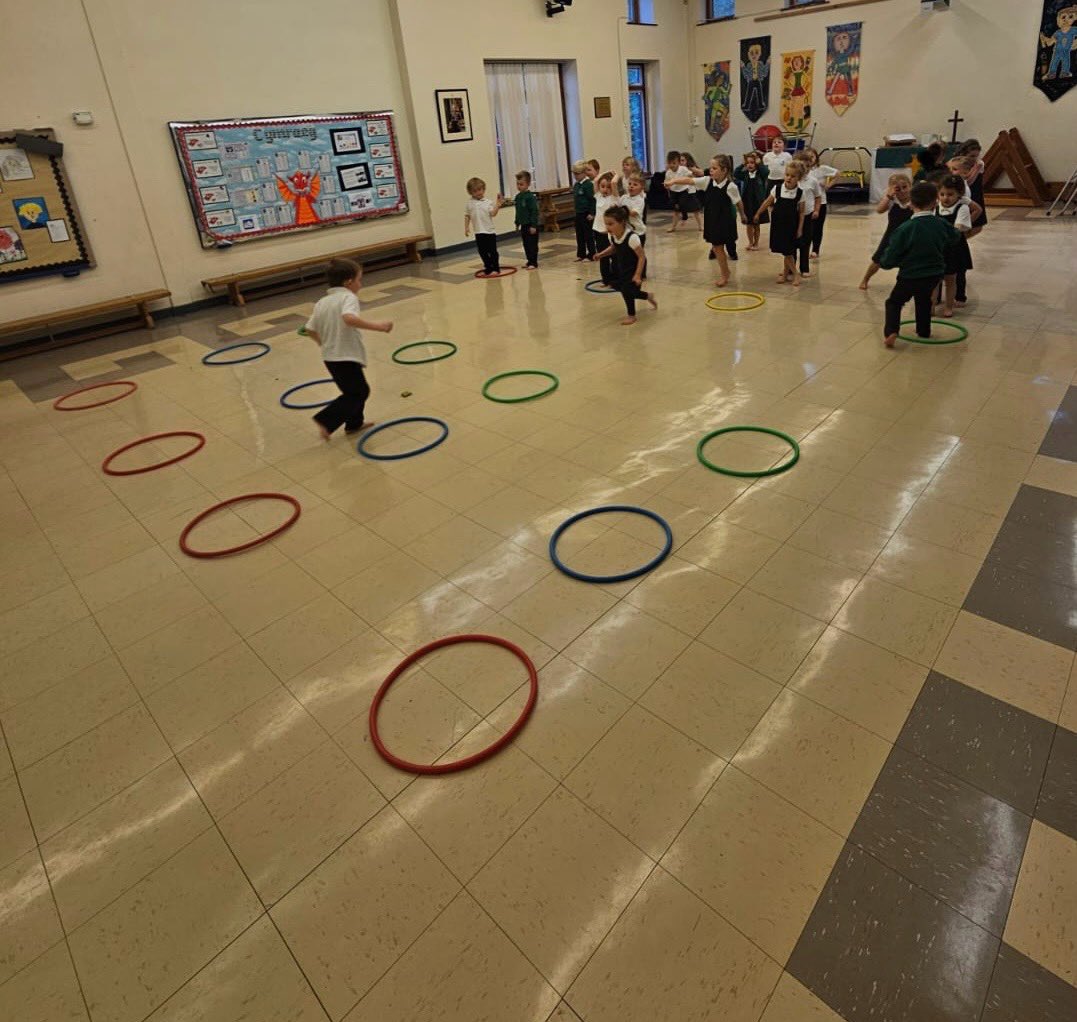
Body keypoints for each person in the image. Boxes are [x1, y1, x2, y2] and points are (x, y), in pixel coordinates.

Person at [303, 258, 392, 441]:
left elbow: (309, 329)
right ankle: (326, 421)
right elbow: (349, 318)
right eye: (359, 280)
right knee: (359, 392)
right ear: (348, 282)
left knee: (354, 391)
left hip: (331, 356)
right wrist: (379, 326)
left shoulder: (322, 302)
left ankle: (354, 424)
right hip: (345, 356)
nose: (361, 284)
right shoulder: (348, 297)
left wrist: (322, 343)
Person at [878, 180, 959, 348]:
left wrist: (886, 262)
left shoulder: (906, 228)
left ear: (911, 203)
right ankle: (924, 331)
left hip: (910, 275)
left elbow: (891, 255)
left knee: (894, 302)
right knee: (923, 300)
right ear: (935, 202)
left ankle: (891, 331)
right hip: (934, 274)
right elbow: (955, 236)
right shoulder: (941, 223)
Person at [669, 154, 746, 288]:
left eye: (714, 168)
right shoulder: (706, 181)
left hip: (724, 221)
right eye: (710, 167)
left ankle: (725, 274)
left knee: (718, 248)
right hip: (712, 219)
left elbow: (738, 202)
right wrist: (673, 182)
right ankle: (726, 271)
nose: (710, 170)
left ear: (724, 170)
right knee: (717, 248)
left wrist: (743, 216)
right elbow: (689, 181)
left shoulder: (730, 186)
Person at [592, 204, 657, 326]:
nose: (607, 227)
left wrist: (638, 275)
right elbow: (613, 248)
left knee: (627, 291)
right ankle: (648, 296)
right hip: (623, 268)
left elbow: (642, 257)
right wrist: (601, 254)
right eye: (606, 224)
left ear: (622, 222)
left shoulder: (632, 238)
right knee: (627, 290)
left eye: (611, 224)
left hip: (635, 268)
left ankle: (631, 315)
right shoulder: (614, 236)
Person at [754, 161, 808, 286]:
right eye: (787, 175)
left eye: (793, 176)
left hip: (791, 225)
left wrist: (800, 229)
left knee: (788, 251)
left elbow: (801, 213)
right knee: (785, 250)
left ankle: (795, 274)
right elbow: (767, 202)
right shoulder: (777, 189)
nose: (789, 178)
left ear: (798, 178)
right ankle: (785, 273)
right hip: (778, 224)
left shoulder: (800, 193)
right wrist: (758, 213)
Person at [860, 173, 913, 290]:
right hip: (892, 234)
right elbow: (879, 210)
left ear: (910, 186)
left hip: (910, 236)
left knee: (909, 260)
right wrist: (888, 196)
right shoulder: (892, 200)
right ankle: (865, 279)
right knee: (878, 258)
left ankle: (906, 283)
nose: (902, 191)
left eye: (905, 187)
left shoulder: (915, 200)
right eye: (898, 189)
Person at [935, 174, 974, 317]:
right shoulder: (935, 207)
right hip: (939, 247)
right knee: (935, 277)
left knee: (955, 275)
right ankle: (933, 302)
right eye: (942, 194)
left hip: (954, 247)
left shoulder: (962, 208)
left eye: (950, 194)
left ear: (959, 194)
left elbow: (956, 229)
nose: (945, 198)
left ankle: (953, 302)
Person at [801, 147, 839, 258]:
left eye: (812, 157)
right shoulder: (803, 170)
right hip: (807, 202)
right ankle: (805, 248)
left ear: (816, 158)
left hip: (820, 202)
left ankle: (815, 249)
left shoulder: (822, 169)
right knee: (807, 228)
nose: (810, 160)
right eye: (807, 157)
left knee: (818, 227)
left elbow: (837, 173)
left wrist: (828, 185)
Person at [464, 177, 504, 277]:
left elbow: (493, 214)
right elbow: (467, 215)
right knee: (482, 251)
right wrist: (466, 227)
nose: (478, 192)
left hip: (489, 232)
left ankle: (495, 268)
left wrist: (497, 205)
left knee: (492, 251)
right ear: (470, 192)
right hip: (478, 232)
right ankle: (488, 267)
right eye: (475, 191)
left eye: (480, 190)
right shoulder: (470, 203)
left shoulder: (488, 202)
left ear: (483, 189)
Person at [790, 157, 821, 278]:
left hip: (807, 215)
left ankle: (804, 268)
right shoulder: (792, 179)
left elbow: (818, 197)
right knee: (791, 243)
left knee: (805, 242)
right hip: (793, 216)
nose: (805, 169)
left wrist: (816, 210)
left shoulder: (812, 181)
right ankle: (791, 268)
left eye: (807, 166)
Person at [735, 150, 769, 251]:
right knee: (749, 225)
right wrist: (742, 164)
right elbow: (736, 173)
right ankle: (750, 242)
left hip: (757, 203)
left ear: (756, 164)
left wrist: (759, 163)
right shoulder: (744, 174)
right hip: (747, 202)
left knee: (756, 224)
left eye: (752, 162)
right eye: (748, 163)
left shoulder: (760, 174)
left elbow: (766, 172)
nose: (750, 165)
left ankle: (756, 243)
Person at [592, 172, 619, 289]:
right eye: (603, 186)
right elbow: (595, 181)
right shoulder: (598, 196)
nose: (605, 189)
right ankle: (605, 279)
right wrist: (603, 173)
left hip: (611, 234)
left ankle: (615, 280)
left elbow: (614, 182)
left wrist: (615, 174)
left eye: (608, 187)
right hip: (599, 232)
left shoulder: (614, 198)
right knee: (603, 258)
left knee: (615, 258)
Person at [513, 170, 540, 270]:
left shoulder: (530, 197)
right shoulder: (518, 197)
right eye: (517, 184)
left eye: (521, 184)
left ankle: (534, 262)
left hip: (531, 225)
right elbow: (518, 211)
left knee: (532, 244)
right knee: (526, 244)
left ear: (528, 184)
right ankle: (529, 261)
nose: (519, 186)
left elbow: (534, 211)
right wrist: (517, 223)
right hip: (524, 225)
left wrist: (533, 225)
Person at [623, 174, 648, 277]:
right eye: (629, 184)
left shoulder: (640, 200)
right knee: (630, 254)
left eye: (635, 184)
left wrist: (623, 211)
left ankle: (642, 274)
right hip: (628, 232)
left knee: (639, 254)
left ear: (641, 187)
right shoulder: (624, 197)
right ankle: (632, 272)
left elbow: (633, 213)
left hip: (639, 231)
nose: (631, 186)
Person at [572, 160, 597, 261]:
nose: (575, 176)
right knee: (579, 235)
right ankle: (581, 254)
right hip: (579, 213)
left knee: (588, 235)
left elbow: (592, 200)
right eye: (574, 174)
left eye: (577, 174)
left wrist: (592, 213)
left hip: (587, 213)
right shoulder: (577, 185)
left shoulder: (588, 185)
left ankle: (591, 254)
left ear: (584, 173)